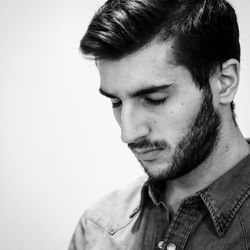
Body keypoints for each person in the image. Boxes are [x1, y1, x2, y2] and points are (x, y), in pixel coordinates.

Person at [69, 0, 250, 249]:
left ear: (225, 82)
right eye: (116, 102)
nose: (128, 132)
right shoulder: (97, 229)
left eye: (155, 100)